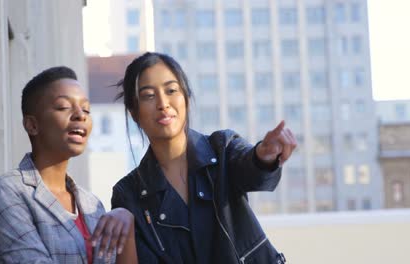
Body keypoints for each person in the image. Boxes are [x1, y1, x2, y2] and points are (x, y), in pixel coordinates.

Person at [111, 52, 296, 263]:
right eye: (148, 96)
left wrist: (264, 155)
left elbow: (250, 168)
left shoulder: (221, 148)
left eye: (171, 90)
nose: (163, 103)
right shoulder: (128, 195)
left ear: (186, 99)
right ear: (134, 112)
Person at [0, 66, 137, 264]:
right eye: (64, 107)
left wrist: (127, 224)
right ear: (32, 125)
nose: (81, 115)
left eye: (86, 109)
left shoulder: (93, 206)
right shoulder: (6, 192)